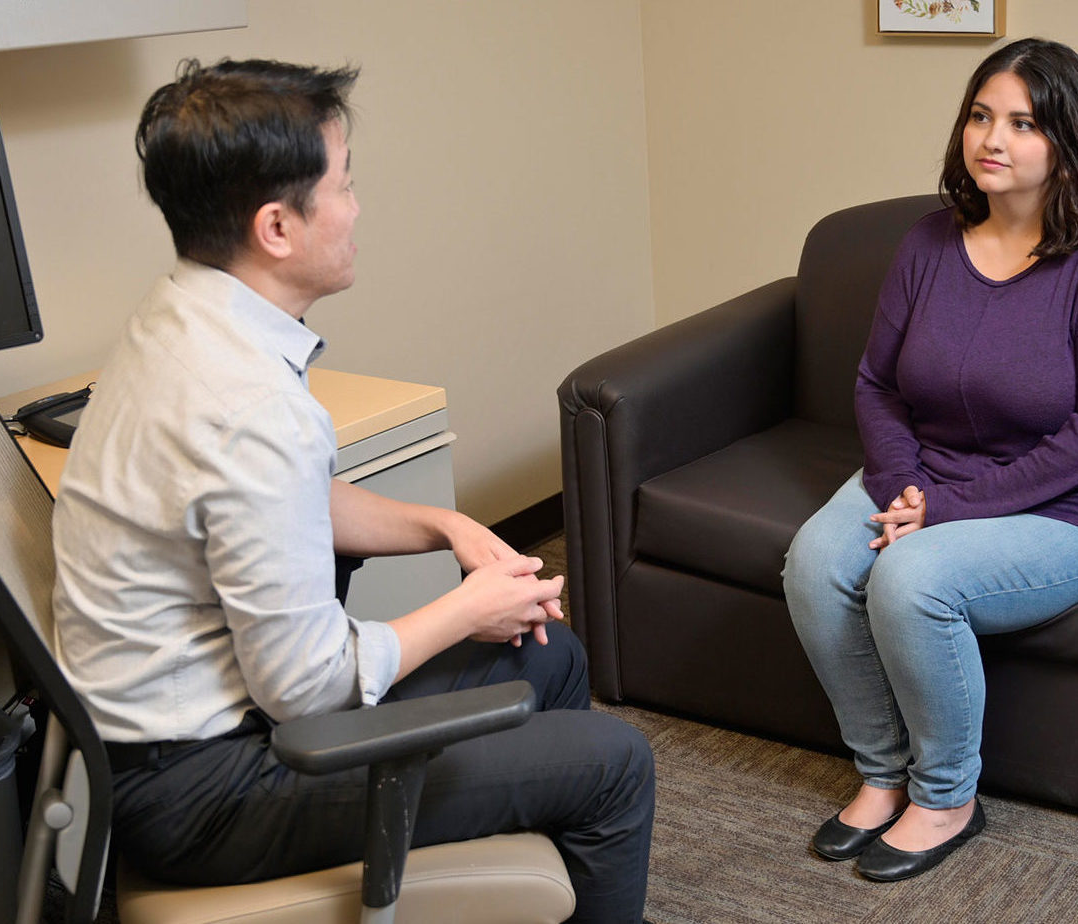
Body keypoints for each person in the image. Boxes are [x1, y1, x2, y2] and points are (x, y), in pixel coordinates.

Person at [51, 59, 654, 922]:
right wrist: (463, 609)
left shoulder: (178, 317)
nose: (358, 207)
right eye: (344, 185)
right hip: (207, 788)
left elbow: (280, 508)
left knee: (545, 654)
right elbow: (304, 688)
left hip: (177, 740)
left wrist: (443, 526)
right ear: (276, 227)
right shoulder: (248, 405)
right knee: (613, 762)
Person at [783, 38, 1078, 883]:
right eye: (980, 115)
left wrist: (943, 512)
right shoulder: (928, 241)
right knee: (814, 561)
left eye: (1023, 123)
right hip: (933, 477)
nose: (992, 138)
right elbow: (876, 384)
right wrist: (902, 485)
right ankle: (883, 774)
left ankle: (947, 796)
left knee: (912, 580)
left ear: (1069, 140)